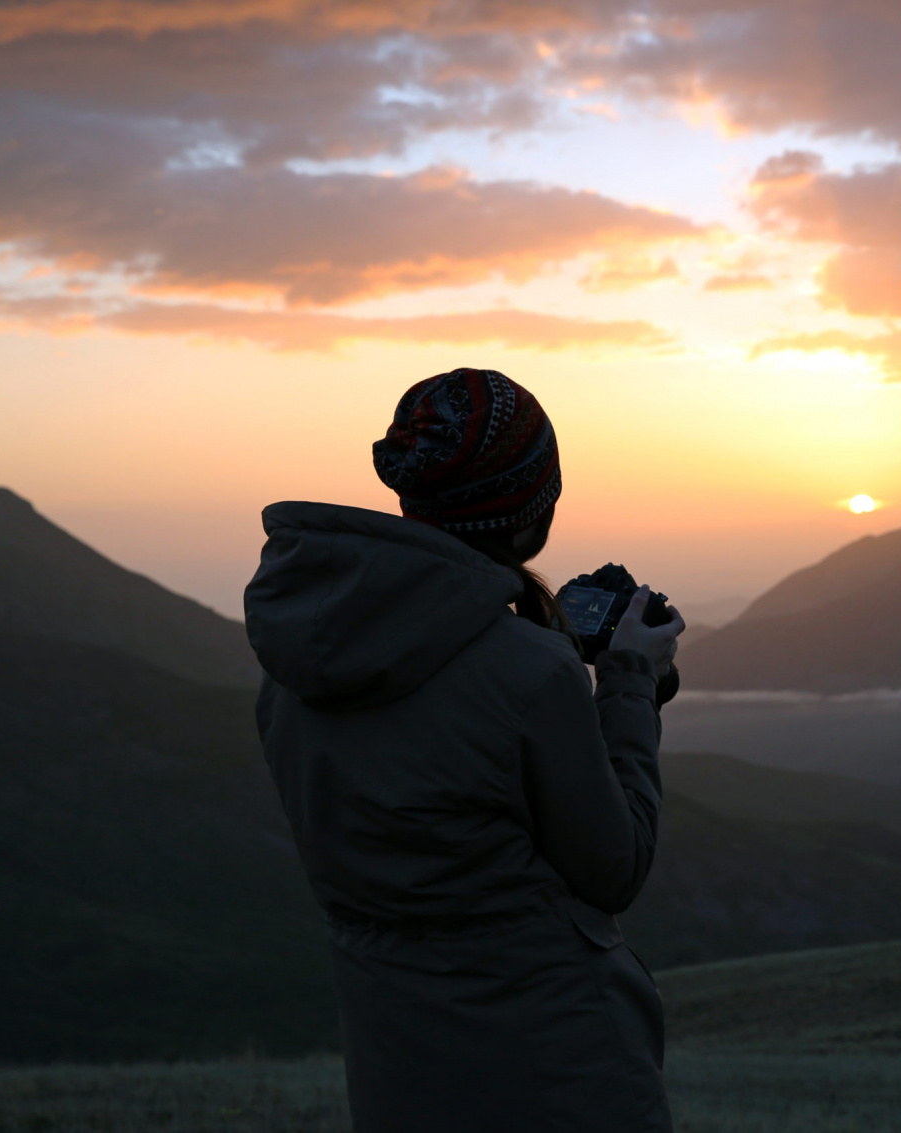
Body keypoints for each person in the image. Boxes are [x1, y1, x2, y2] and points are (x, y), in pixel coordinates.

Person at [244, 367, 683, 1132]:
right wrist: (628, 680)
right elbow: (617, 866)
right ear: (527, 511)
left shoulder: (294, 671)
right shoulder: (533, 672)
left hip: (396, 1069)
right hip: (556, 1069)